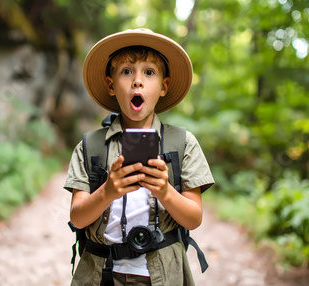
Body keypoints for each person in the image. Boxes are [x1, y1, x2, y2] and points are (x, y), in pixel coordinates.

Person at [64, 29, 214, 286]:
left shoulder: (183, 143)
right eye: (126, 71)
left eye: (149, 72)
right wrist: (108, 191)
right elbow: (77, 218)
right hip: (100, 275)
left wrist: (165, 192)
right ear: (111, 85)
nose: (137, 81)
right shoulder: (91, 146)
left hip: (162, 275)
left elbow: (194, 218)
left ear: (164, 86)